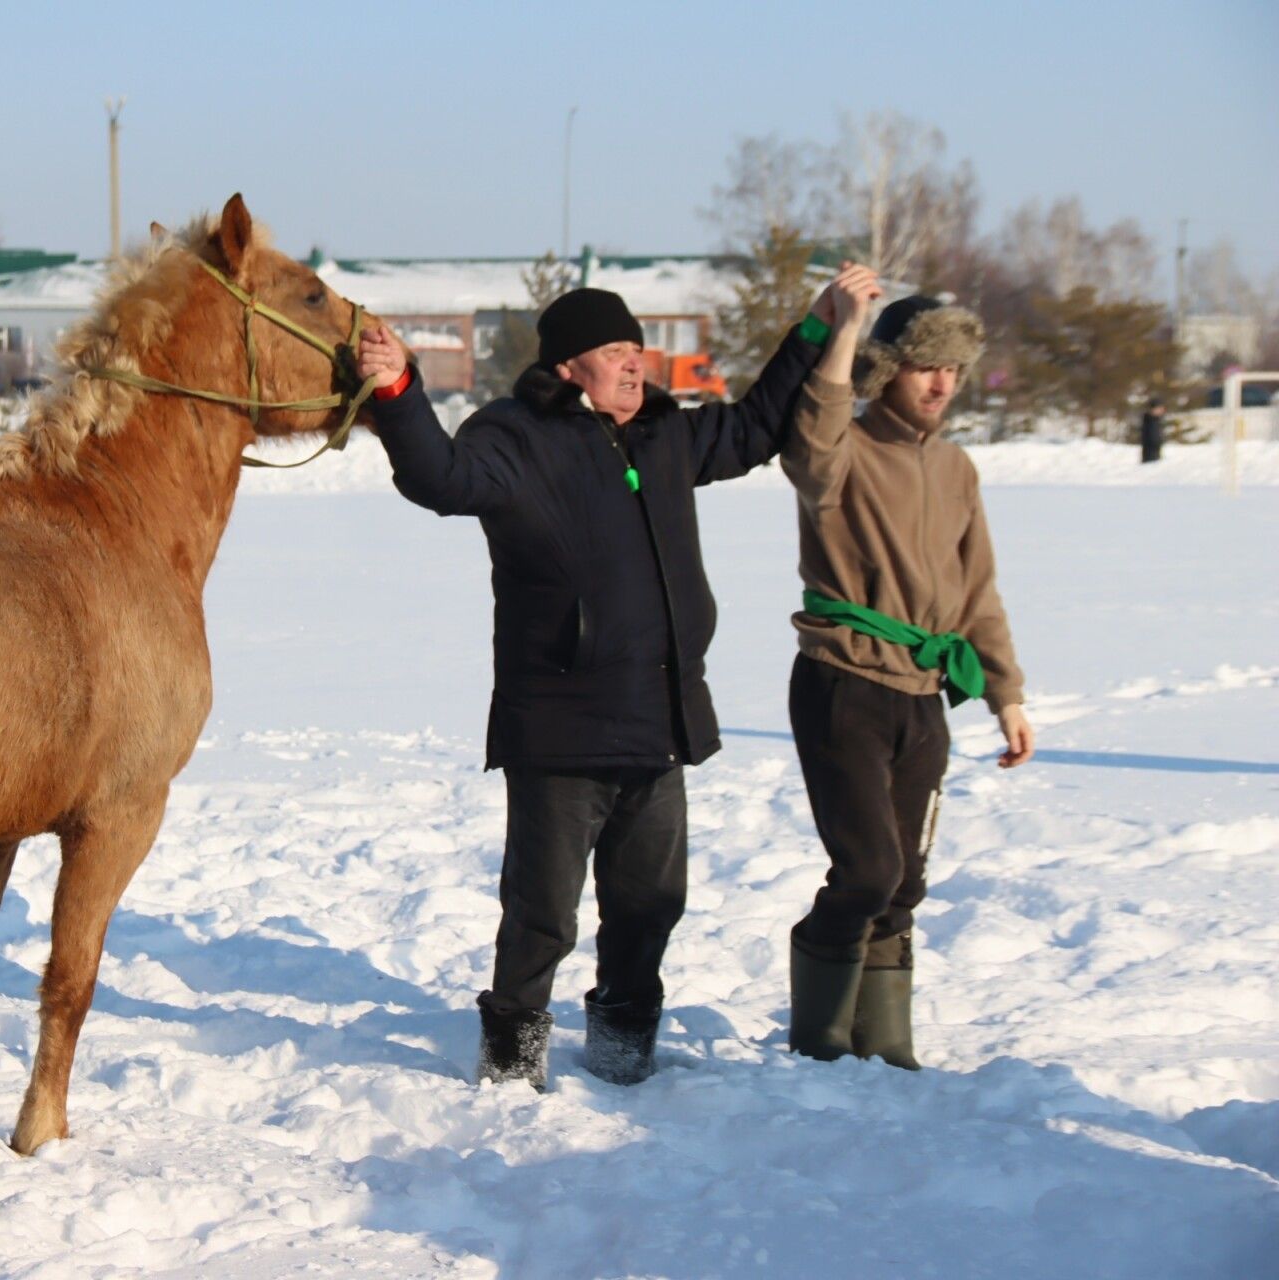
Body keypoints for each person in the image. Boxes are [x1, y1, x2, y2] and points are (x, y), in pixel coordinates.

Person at [358, 271, 865, 1090]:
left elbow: (763, 423)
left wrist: (814, 328)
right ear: (567, 368)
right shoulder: (516, 436)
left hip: (658, 719)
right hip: (561, 725)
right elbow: (439, 480)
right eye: (612, 352)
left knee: (649, 905)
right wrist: (398, 390)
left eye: (636, 349)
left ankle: (625, 1053)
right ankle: (513, 1063)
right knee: (541, 916)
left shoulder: (667, 435)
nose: (635, 365)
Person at [779, 288, 1034, 1070]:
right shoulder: (843, 452)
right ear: (888, 370)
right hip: (844, 682)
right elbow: (809, 439)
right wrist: (848, 333)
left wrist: (1006, 694)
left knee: (905, 882)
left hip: (924, 693)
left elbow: (978, 589)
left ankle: (883, 1044)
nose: (941, 384)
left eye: (953, 369)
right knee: (867, 869)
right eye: (926, 365)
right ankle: (819, 1037)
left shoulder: (957, 469)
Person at [1140, 397, 1166, 464]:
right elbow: (1152, 438)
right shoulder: (1150, 421)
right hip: (1150, 456)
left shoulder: (1155, 420)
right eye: (1160, 408)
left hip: (1155, 454)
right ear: (1154, 409)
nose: (1162, 410)